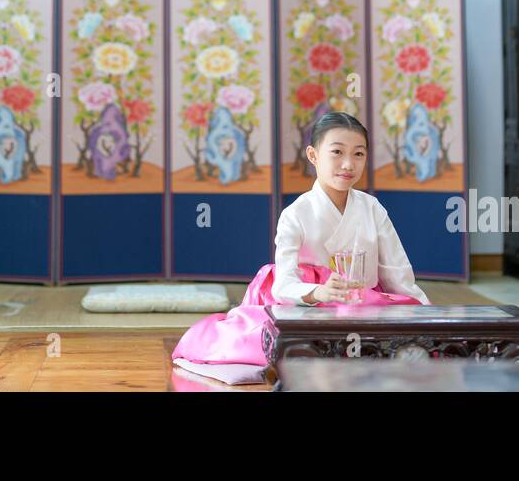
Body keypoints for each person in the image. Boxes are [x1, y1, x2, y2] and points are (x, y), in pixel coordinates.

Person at [172, 111, 430, 385]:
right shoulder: (296, 214)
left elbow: (397, 275)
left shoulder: (372, 208)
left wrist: (427, 316)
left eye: (358, 154)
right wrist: (319, 291)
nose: (348, 164)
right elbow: (283, 284)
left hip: (363, 306)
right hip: (307, 309)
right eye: (337, 152)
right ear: (313, 155)